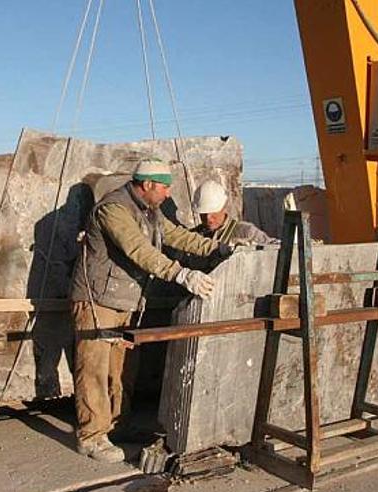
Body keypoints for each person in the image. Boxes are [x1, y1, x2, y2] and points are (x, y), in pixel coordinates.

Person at [70, 158, 231, 463]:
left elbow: (176, 236)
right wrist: (181, 274)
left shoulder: (150, 211)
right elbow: (138, 250)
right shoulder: (113, 209)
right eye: (165, 188)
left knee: (121, 368)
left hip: (124, 300)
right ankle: (91, 436)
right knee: (93, 367)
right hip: (97, 300)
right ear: (147, 185)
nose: (168, 195)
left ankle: (117, 425)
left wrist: (218, 248)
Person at [192, 180, 275, 245]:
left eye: (213, 212)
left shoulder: (247, 232)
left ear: (224, 207)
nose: (208, 218)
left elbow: (273, 249)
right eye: (203, 213)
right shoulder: (193, 237)